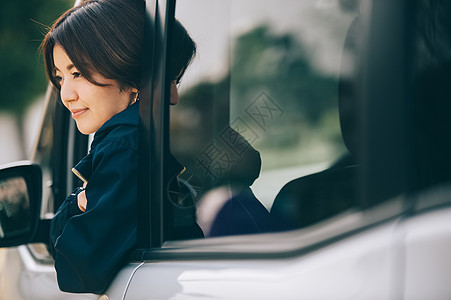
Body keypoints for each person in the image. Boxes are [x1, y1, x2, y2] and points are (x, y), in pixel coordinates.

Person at [43, 0, 199, 294]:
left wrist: (75, 203)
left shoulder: (124, 149)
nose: (66, 94)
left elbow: (76, 270)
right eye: (61, 78)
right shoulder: (134, 141)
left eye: (77, 73)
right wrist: (80, 200)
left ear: (130, 74)